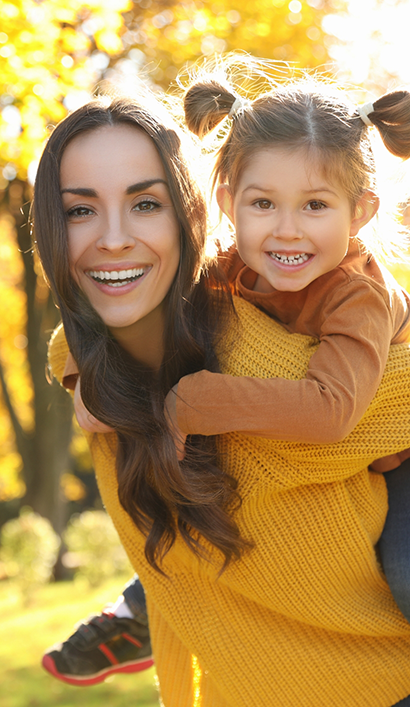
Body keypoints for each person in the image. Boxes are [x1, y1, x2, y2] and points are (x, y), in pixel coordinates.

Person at [35, 89, 410, 706]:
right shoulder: (231, 270)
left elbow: (330, 413)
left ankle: (133, 608)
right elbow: (120, 311)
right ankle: (136, 605)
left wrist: (196, 399)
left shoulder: (356, 294)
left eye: (316, 205)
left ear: (361, 212)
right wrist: (88, 367)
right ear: (229, 201)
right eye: (263, 203)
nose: (286, 229)